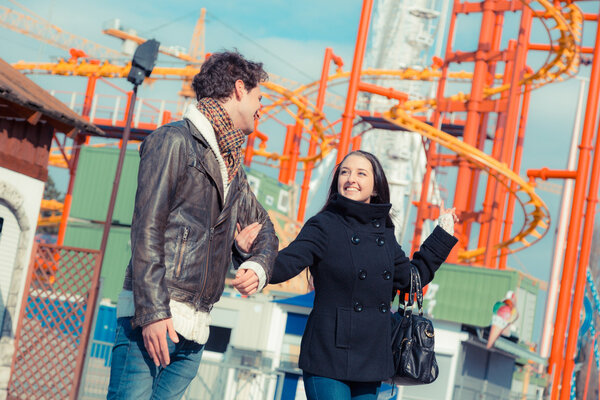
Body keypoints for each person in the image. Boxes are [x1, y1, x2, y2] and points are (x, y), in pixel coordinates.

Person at [106, 51, 279, 400]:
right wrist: (153, 313)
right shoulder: (173, 141)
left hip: (195, 330)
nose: (263, 108)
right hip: (154, 320)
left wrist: (256, 262)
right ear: (240, 89)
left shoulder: (231, 164)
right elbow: (146, 230)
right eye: (260, 98)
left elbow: (265, 228)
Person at [268, 150, 457, 399]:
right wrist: (250, 253)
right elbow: (285, 264)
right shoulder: (323, 225)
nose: (350, 178)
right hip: (328, 356)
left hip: (371, 358)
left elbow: (412, 279)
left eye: (360, 173)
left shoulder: (385, 234)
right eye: (344, 172)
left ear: (376, 187)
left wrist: (442, 235)